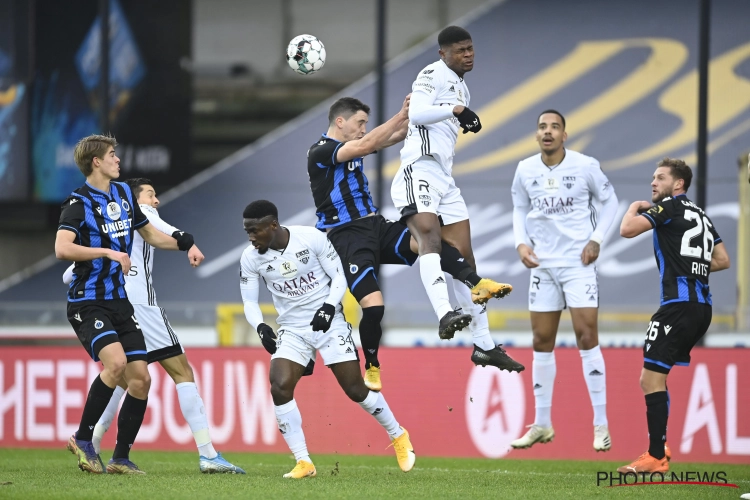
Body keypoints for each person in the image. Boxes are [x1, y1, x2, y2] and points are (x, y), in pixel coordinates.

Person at [308, 96, 522, 390]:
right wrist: (400, 113)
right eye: (360, 123)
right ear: (340, 121)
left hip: (374, 225)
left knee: (427, 241)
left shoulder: (350, 146)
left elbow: (391, 137)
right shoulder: (320, 151)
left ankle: (476, 283)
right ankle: (371, 363)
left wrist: (420, 115)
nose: (363, 129)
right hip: (346, 235)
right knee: (374, 308)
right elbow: (368, 144)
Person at [62, 178, 244, 474]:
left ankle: (95, 444)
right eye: (150, 194)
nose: (155, 200)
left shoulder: (108, 230)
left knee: (125, 378)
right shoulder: (137, 210)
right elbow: (162, 228)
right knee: (182, 372)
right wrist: (188, 241)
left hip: (113, 302)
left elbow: (69, 276)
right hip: (142, 308)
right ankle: (208, 454)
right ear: (135, 200)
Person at [55, 135, 203, 474]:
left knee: (141, 380)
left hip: (119, 302)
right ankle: (82, 438)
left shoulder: (123, 194)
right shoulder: (78, 203)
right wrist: (107, 252)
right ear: (96, 162)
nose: (118, 160)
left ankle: (120, 457)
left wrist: (183, 246)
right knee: (117, 364)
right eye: (111, 155)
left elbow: (149, 233)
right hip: (88, 301)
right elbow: (62, 248)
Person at [239, 200, 415, 478]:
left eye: (255, 230)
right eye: (247, 231)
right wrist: (260, 326)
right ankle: (303, 462)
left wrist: (330, 306)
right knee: (279, 386)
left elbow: (338, 276)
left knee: (355, 390)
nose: (250, 237)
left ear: (273, 225)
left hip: (329, 323)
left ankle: (398, 434)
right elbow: (249, 302)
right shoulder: (250, 257)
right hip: (293, 329)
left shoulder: (311, 238)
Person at [390, 26, 511, 361]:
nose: (468, 54)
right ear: (443, 53)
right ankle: (444, 312)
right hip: (419, 168)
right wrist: (456, 111)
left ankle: (484, 344)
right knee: (429, 237)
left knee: (464, 255)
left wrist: (461, 116)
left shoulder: (462, 87)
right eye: (460, 50)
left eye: (471, 48)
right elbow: (417, 112)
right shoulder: (432, 73)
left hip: (444, 177)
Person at [509, 110, 619, 452]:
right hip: (543, 264)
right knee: (541, 340)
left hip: (577, 264)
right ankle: (542, 423)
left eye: (554, 127)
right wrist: (521, 243)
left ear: (564, 135)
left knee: (587, 336)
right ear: (537, 133)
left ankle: (601, 424)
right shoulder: (525, 169)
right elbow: (518, 207)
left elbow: (610, 200)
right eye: (542, 126)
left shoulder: (585, 165)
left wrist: (597, 239)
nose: (548, 132)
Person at [617, 158, 730, 473]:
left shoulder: (668, 208)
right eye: (653, 177)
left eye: (660, 177)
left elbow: (627, 230)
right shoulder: (702, 215)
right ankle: (659, 446)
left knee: (649, 378)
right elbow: (722, 259)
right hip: (701, 307)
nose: (653, 182)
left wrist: (633, 209)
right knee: (655, 376)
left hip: (678, 306)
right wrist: (691, 265)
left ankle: (655, 456)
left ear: (678, 184)